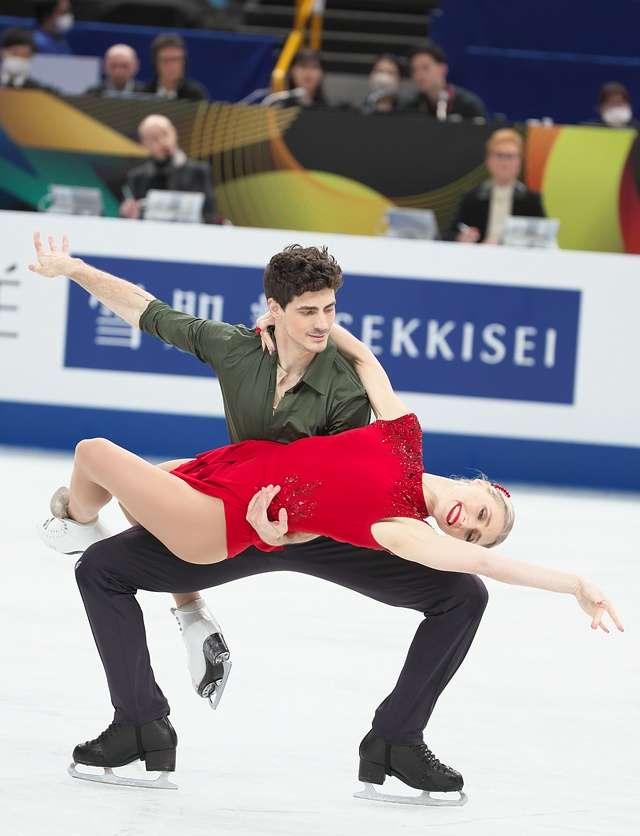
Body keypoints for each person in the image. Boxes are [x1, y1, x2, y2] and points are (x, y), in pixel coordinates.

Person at [30, 235, 621, 801]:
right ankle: (144, 715)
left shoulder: (354, 415)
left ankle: (395, 741)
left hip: (319, 526)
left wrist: (573, 582)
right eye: (482, 511)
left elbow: (375, 514)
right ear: (481, 483)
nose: (466, 521)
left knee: (464, 595)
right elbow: (149, 312)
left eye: (329, 310)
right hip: (240, 494)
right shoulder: (347, 404)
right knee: (104, 565)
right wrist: (76, 270)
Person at [448, 128, 546, 244]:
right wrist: (460, 237)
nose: (504, 162)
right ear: (488, 160)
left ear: (519, 162)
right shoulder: (472, 198)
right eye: (499, 155)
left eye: (510, 156)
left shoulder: (530, 200)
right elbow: (449, 234)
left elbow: (544, 238)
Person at [119, 114, 216, 224]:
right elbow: (127, 221)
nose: (162, 142)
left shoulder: (198, 171)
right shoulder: (137, 177)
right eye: (154, 138)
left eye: (165, 134)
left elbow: (210, 215)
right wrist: (128, 214)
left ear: (174, 133)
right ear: (144, 144)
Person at [403, 40, 486, 121]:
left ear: (443, 69)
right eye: (414, 70)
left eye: (425, 68)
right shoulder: (411, 106)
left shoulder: (468, 105)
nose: (419, 75)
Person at [142, 33, 207, 101]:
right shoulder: (144, 93)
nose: (172, 66)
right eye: (166, 60)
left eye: (176, 59)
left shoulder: (195, 95)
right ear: (155, 63)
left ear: (184, 62)